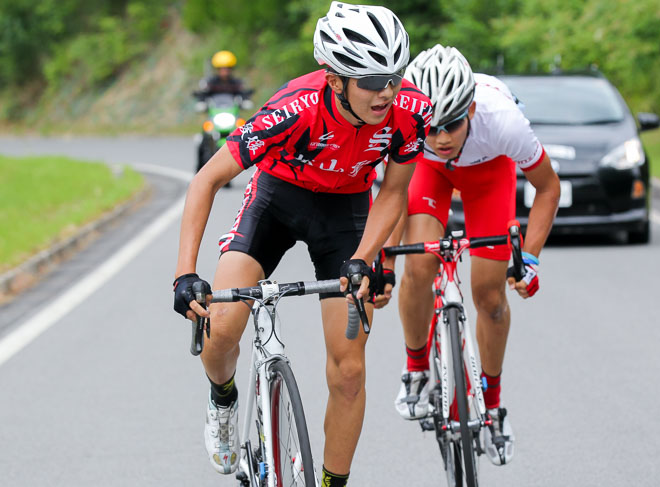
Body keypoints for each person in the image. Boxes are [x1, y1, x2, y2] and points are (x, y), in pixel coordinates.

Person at [172, 3, 431, 485]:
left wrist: (363, 258)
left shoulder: (411, 110)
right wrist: (185, 273)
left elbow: (394, 192)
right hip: (277, 200)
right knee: (224, 326)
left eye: (394, 76)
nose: (387, 92)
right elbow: (206, 180)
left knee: (350, 369)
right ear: (336, 79)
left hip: (346, 212)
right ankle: (223, 396)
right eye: (372, 80)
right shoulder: (293, 109)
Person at [387, 44, 560, 466]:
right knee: (419, 265)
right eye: (431, 127)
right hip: (427, 174)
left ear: (471, 111)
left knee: (490, 297)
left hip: (488, 172)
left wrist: (530, 259)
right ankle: (416, 368)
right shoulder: (402, 119)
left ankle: (494, 403)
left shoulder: (502, 120)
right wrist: (384, 263)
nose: (441, 138)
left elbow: (548, 188)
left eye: (451, 125)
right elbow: (391, 196)